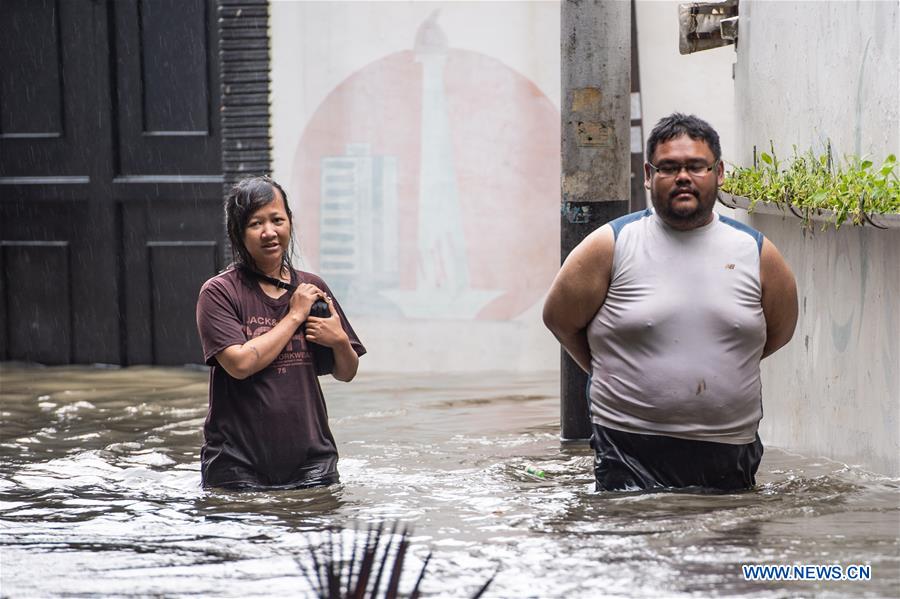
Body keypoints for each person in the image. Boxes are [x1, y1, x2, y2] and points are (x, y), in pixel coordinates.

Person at [542, 113, 798, 492]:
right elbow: (559, 319)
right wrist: (613, 368)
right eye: (669, 167)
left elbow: (779, 332)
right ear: (648, 175)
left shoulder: (758, 254)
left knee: (728, 545)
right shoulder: (609, 246)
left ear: (719, 172)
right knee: (634, 543)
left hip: (730, 446)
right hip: (629, 444)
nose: (683, 177)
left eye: (696, 166)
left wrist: (718, 362)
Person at [195, 175, 366, 490]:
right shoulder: (219, 293)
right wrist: (295, 315)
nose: (269, 232)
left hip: (313, 461)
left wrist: (339, 341)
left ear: (290, 223)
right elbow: (240, 364)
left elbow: (347, 372)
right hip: (237, 464)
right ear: (237, 232)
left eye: (277, 220)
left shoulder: (313, 289)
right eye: (256, 223)